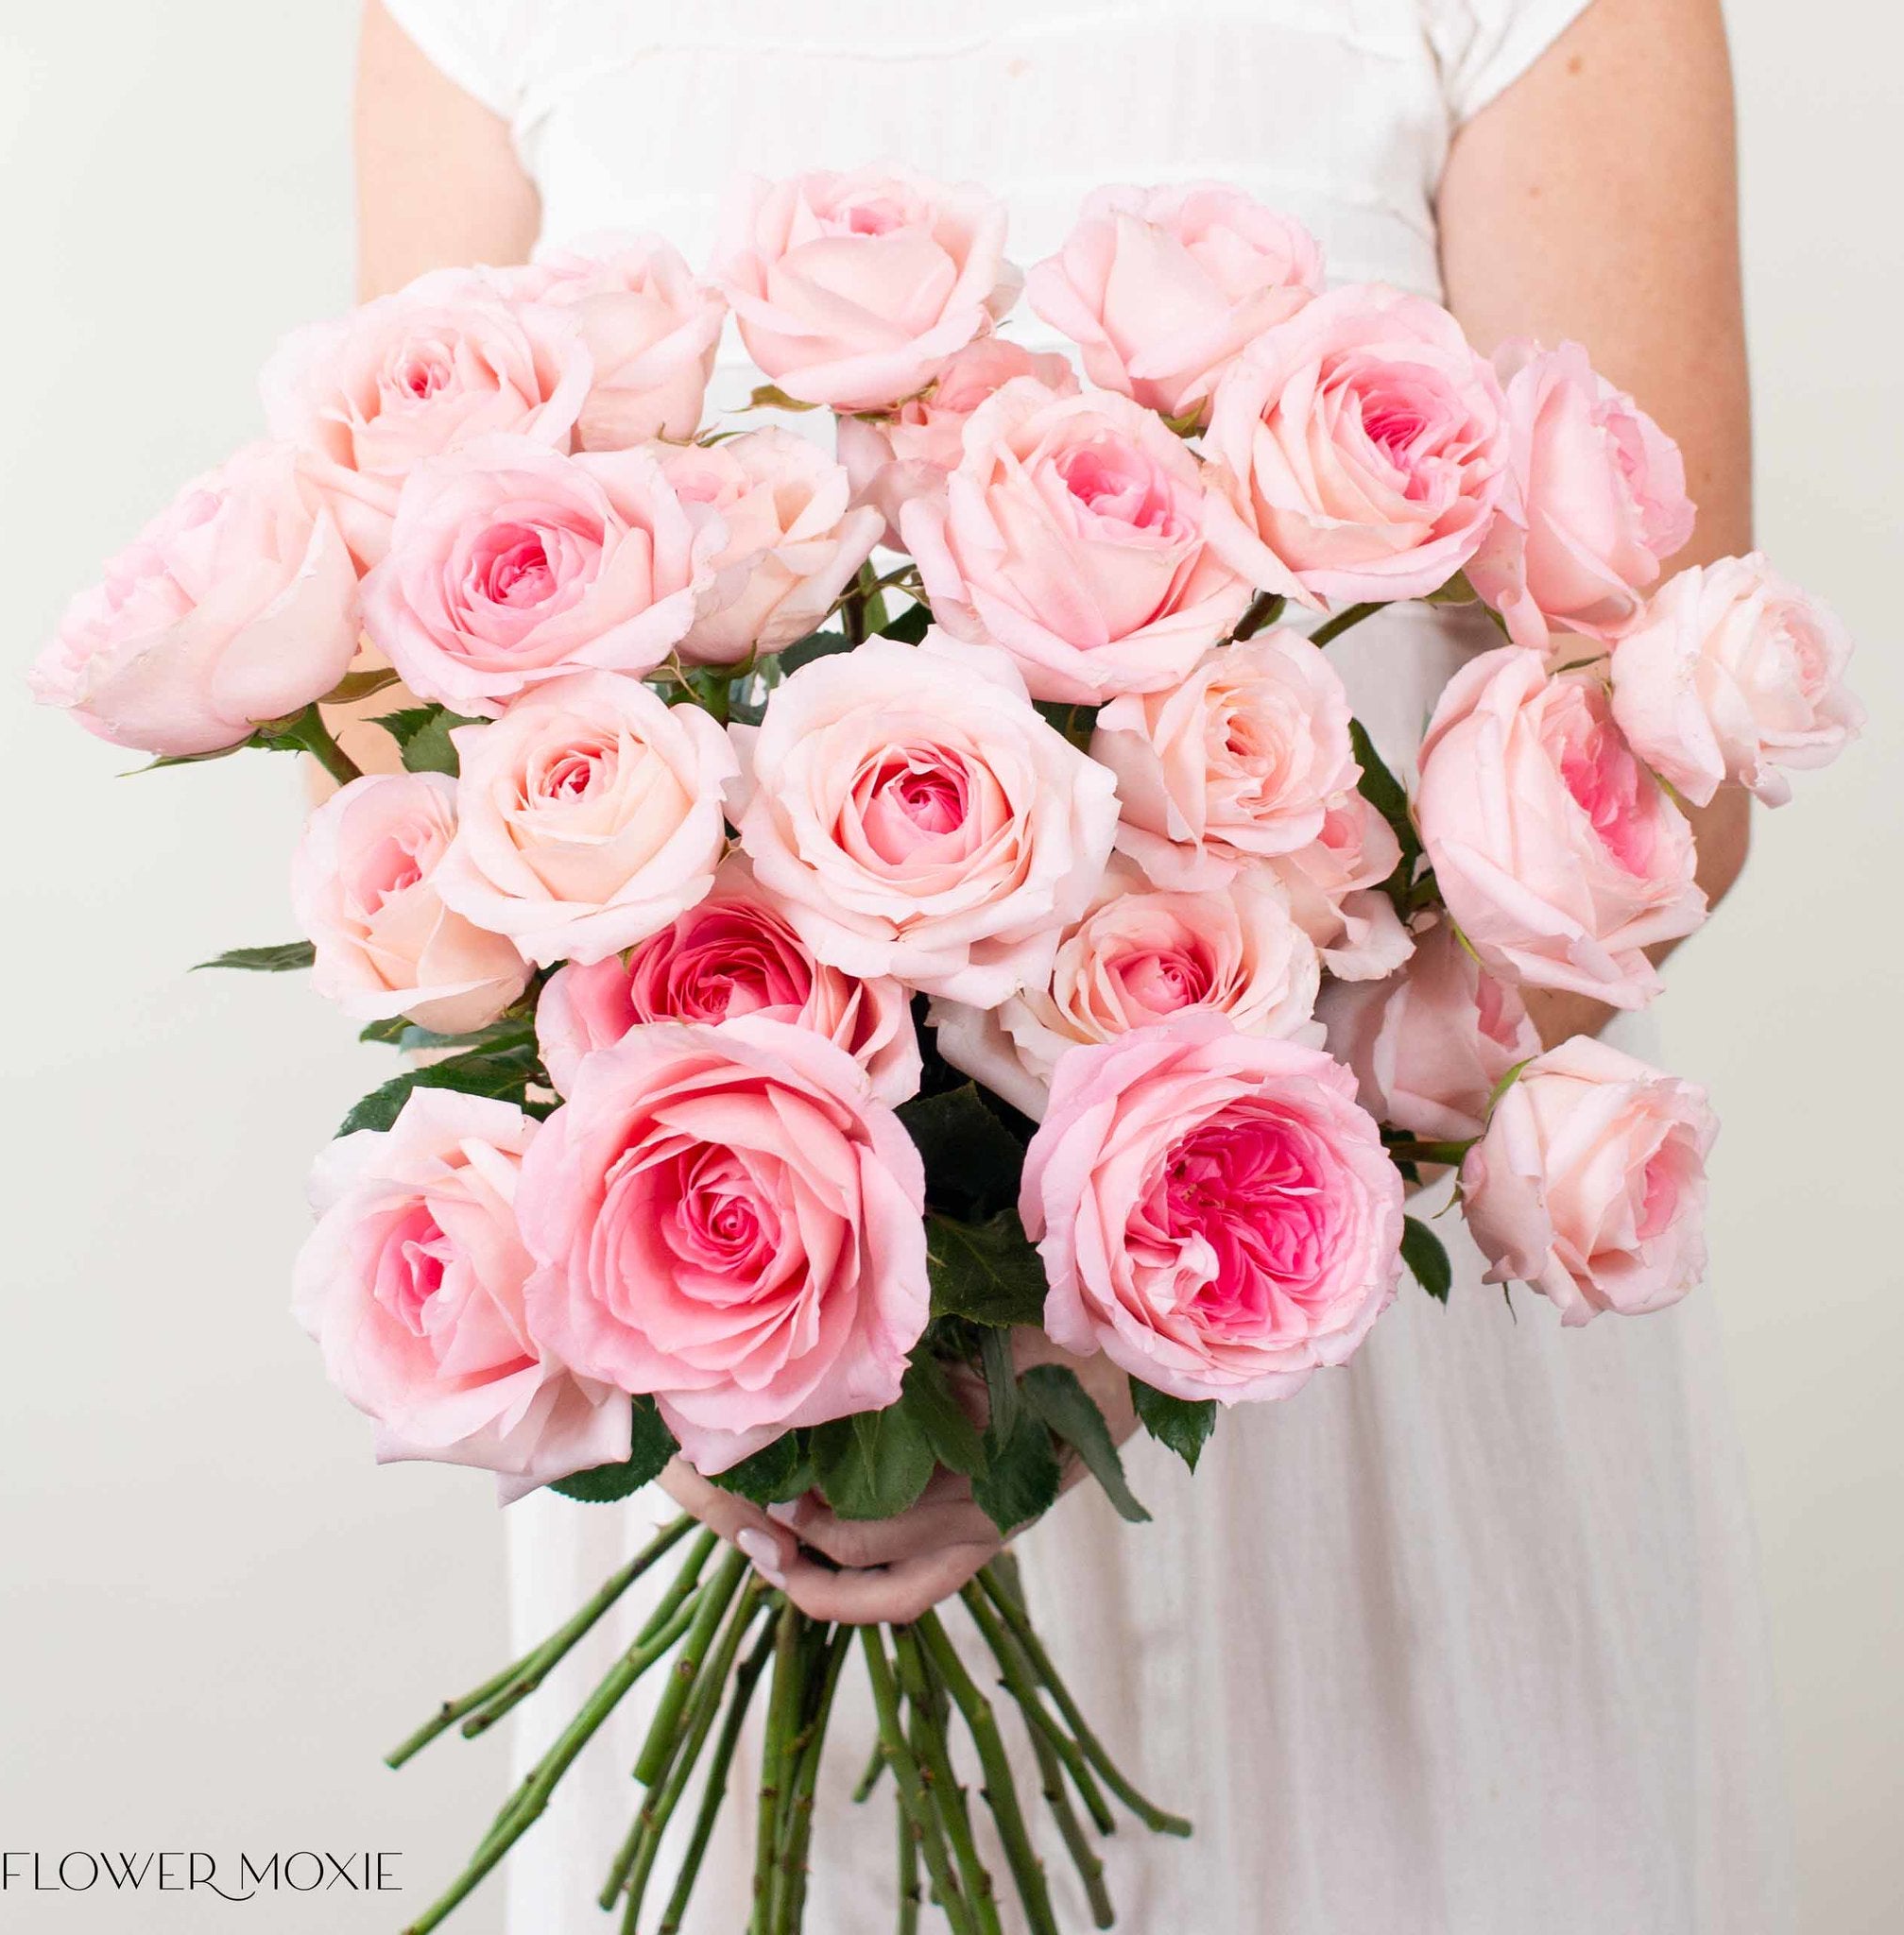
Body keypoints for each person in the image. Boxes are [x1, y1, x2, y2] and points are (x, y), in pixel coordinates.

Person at [354, 3, 1788, 1928]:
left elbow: (1661, 776)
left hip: (1315, 1299)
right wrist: (708, 1316)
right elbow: (403, 700)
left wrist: (1126, 1297)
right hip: (747, 1350)